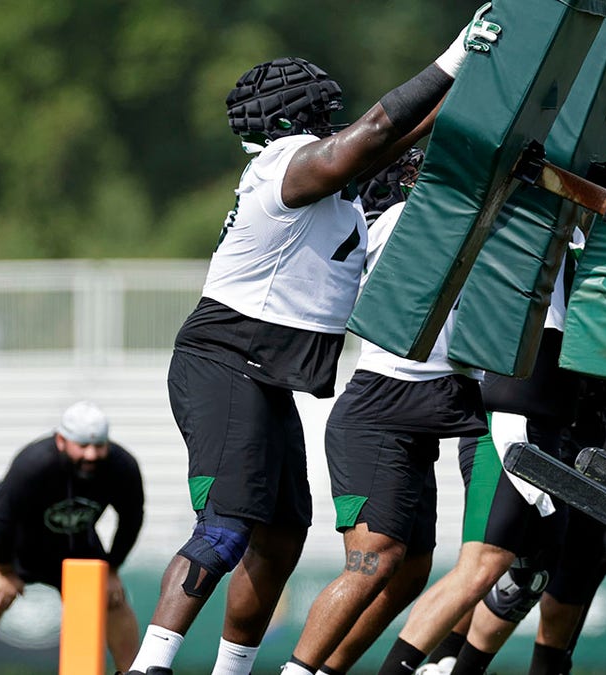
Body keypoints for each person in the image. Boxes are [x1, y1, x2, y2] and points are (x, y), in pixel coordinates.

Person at [123, 9, 502, 675]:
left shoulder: (334, 183)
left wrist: (483, 78)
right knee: (224, 526)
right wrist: (454, 55)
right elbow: (377, 130)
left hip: (265, 375)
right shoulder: (281, 167)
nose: (332, 107)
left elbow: (399, 135)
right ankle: (150, 667)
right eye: (317, 103)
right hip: (223, 362)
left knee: (279, 538)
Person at [278, 149, 489, 675]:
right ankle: (298, 672)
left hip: (434, 407)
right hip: (383, 409)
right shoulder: (401, 221)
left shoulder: (459, 219)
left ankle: (329, 670)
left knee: (414, 568)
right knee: (374, 561)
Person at [0, 401, 144, 675]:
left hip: (69, 534)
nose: (92, 454)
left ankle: (133, 671)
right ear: (62, 441)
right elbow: (3, 519)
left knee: (111, 597)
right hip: (10, 534)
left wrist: (111, 569)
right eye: (83, 446)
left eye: (99, 446)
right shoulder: (34, 463)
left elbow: (131, 518)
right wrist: (3, 571)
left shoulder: (121, 467)